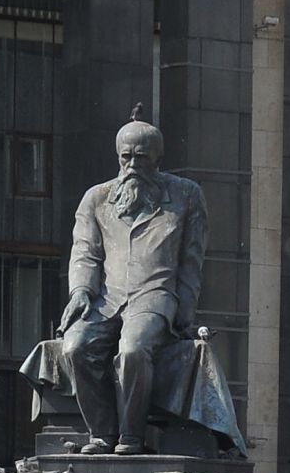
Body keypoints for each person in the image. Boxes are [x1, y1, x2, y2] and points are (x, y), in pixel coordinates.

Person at [57, 107, 209, 455]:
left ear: (158, 158)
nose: (133, 165)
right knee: (75, 345)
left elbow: (191, 259)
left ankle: (131, 436)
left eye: (142, 157)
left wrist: (185, 310)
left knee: (133, 349)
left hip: (155, 295)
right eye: (126, 157)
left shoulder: (186, 195)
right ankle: (102, 433)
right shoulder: (96, 198)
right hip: (107, 299)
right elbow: (85, 253)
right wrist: (80, 291)